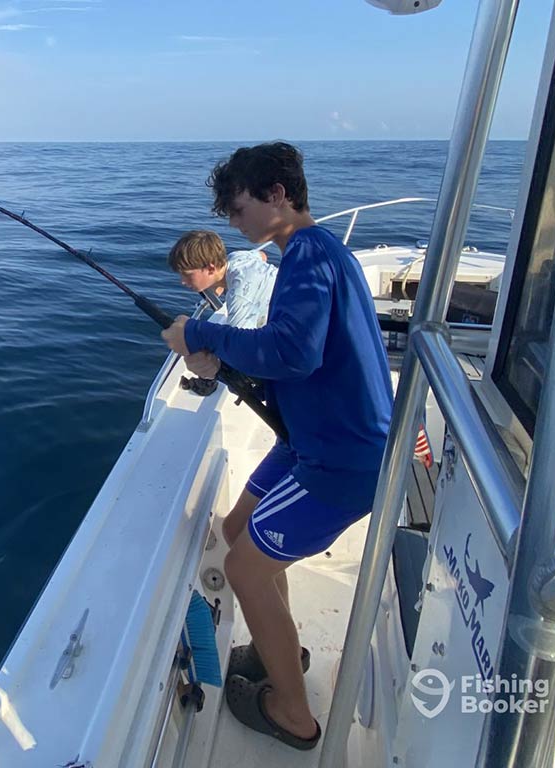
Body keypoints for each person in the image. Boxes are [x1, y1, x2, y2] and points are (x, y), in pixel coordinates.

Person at [161, 142, 392, 750]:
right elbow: (300, 358)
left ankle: (294, 714)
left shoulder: (309, 252)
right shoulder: (312, 255)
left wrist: (199, 332)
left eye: (238, 209)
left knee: (243, 568)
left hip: (342, 459)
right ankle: (280, 649)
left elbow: (294, 350)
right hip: (308, 441)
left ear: (278, 195)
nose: (233, 224)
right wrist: (224, 359)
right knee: (242, 537)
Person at [167, 229, 278, 331]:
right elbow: (262, 255)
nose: (182, 281)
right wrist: (218, 284)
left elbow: (241, 345)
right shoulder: (236, 257)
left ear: (211, 269)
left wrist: (192, 328)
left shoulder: (239, 296)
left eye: (187, 275)